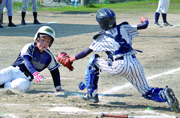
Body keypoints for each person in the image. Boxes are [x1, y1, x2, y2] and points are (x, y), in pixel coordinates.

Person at [68, 8, 179, 112]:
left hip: (119, 66)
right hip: (135, 64)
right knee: (146, 92)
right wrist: (145, 20)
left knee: (94, 60)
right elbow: (144, 25)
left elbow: (85, 52)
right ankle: (164, 94)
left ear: (101, 24)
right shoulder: (124, 27)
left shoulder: (102, 38)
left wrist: (70, 59)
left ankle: (91, 94)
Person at [0, 26, 63, 93]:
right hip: (13, 71)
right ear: (37, 38)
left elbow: (54, 71)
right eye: (43, 39)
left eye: (48, 41)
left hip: (25, 78)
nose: (44, 43)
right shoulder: (29, 46)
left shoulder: (48, 56)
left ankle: (4, 85)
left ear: (50, 43)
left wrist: (58, 86)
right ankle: (5, 83)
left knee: (16, 87)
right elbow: (27, 60)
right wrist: (35, 73)